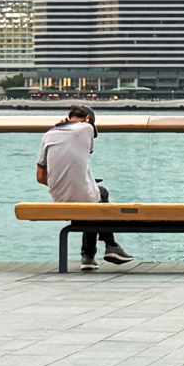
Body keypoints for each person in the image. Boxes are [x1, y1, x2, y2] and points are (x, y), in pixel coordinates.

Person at [37, 105, 132, 271]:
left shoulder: (48, 135)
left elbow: (40, 177)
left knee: (92, 201)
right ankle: (109, 245)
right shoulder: (87, 129)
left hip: (59, 197)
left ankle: (89, 257)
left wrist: (64, 183)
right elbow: (89, 145)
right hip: (84, 197)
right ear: (88, 119)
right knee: (100, 195)